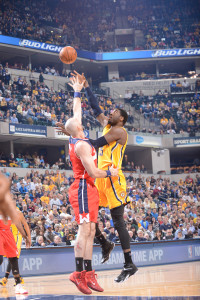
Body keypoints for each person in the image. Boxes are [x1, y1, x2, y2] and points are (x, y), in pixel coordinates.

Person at [72, 71, 138, 283]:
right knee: (90, 216)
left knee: (118, 220)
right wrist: (87, 86)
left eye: (115, 112)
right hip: (101, 179)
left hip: (114, 178)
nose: (110, 113)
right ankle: (104, 242)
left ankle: (129, 263)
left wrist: (73, 135)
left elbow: (97, 143)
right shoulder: (110, 125)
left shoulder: (120, 132)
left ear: (122, 119)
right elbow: (95, 108)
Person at [66, 76, 119, 294]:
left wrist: (77, 91)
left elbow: (76, 112)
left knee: (89, 231)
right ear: (78, 129)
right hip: (82, 187)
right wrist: (110, 172)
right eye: (79, 122)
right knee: (84, 230)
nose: (81, 121)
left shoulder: (76, 135)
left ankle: (88, 274)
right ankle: (78, 273)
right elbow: (94, 172)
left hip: (89, 189)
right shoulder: (81, 146)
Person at [0, 207, 31, 288]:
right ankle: (11, 278)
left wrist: (27, 237)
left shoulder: (16, 212)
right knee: (2, 258)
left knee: (13, 257)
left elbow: (22, 225)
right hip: (4, 233)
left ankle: (14, 282)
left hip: (13, 235)